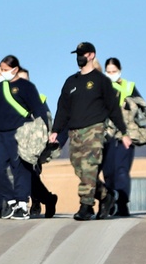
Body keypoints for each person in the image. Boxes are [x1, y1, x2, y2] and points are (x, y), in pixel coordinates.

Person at [49, 43, 131, 221]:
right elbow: (62, 108)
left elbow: (113, 108)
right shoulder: (71, 81)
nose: (80, 57)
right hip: (74, 132)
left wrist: (124, 132)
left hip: (94, 130)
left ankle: (86, 206)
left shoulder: (101, 81)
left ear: (92, 55)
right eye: (77, 54)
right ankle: (105, 195)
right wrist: (55, 130)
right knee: (80, 169)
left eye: (83, 54)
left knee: (89, 167)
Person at [0, 56, 47, 220]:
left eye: (6, 70)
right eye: (2, 70)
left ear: (15, 69)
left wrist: (43, 131)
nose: (3, 73)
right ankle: (11, 201)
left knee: (21, 169)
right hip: (0, 135)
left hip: (21, 132)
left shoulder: (27, 87)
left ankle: (21, 204)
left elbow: (38, 109)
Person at [101, 58, 143, 217]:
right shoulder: (102, 86)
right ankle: (110, 201)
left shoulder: (129, 87)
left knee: (121, 170)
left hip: (126, 135)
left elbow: (142, 110)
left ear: (120, 70)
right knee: (108, 171)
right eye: (108, 71)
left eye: (114, 71)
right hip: (107, 134)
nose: (111, 74)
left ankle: (123, 204)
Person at [17, 68, 58, 218]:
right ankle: (42, 199)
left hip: (32, 143)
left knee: (30, 174)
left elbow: (45, 119)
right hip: (13, 141)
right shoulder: (9, 96)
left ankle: (42, 200)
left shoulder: (38, 98)